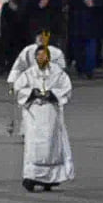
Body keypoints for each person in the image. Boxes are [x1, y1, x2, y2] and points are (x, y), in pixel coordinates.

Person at [11, 45, 74, 192]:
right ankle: (31, 177)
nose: (41, 59)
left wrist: (51, 94)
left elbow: (67, 89)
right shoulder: (29, 74)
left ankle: (50, 179)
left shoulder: (57, 73)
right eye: (38, 56)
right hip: (34, 114)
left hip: (50, 113)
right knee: (33, 147)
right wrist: (33, 93)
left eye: (44, 56)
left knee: (50, 146)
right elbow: (18, 89)